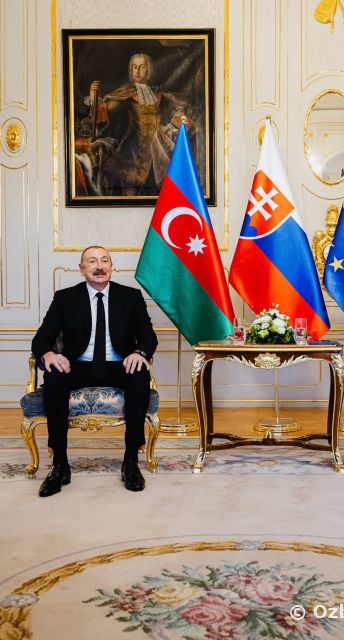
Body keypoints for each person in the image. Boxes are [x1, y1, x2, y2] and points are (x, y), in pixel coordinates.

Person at [32, 246, 158, 497]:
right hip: (77, 365)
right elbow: (41, 338)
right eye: (92, 261)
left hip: (119, 365)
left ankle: (130, 461)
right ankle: (60, 465)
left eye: (104, 261)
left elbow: (148, 336)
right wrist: (48, 355)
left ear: (111, 267)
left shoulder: (130, 296)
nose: (99, 266)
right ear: (82, 269)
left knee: (139, 374)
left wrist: (139, 353)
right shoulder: (65, 298)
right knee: (54, 376)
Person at [85, 53, 193, 196]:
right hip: (131, 154)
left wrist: (180, 117)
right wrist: (94, 98)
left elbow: (179, 105)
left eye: (142, 67)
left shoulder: (158, 95)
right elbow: (106, 110)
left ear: (149, 71)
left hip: (155, 153)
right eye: (135, 67)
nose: (137, 71)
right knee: (131, 193)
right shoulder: (126, 94)